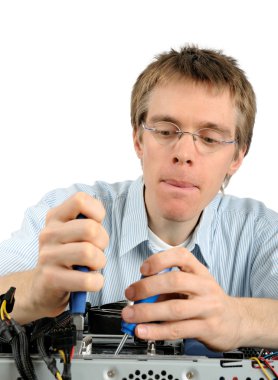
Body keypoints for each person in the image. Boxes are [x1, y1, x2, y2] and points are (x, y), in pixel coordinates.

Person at [0, 45, 277, 352]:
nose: (184, 154)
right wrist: (36, 291)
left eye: (210, 138)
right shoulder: (69, 215)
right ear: (138, 140)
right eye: (165, 131)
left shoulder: (261, 231)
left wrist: (238, 318)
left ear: (237, 156)